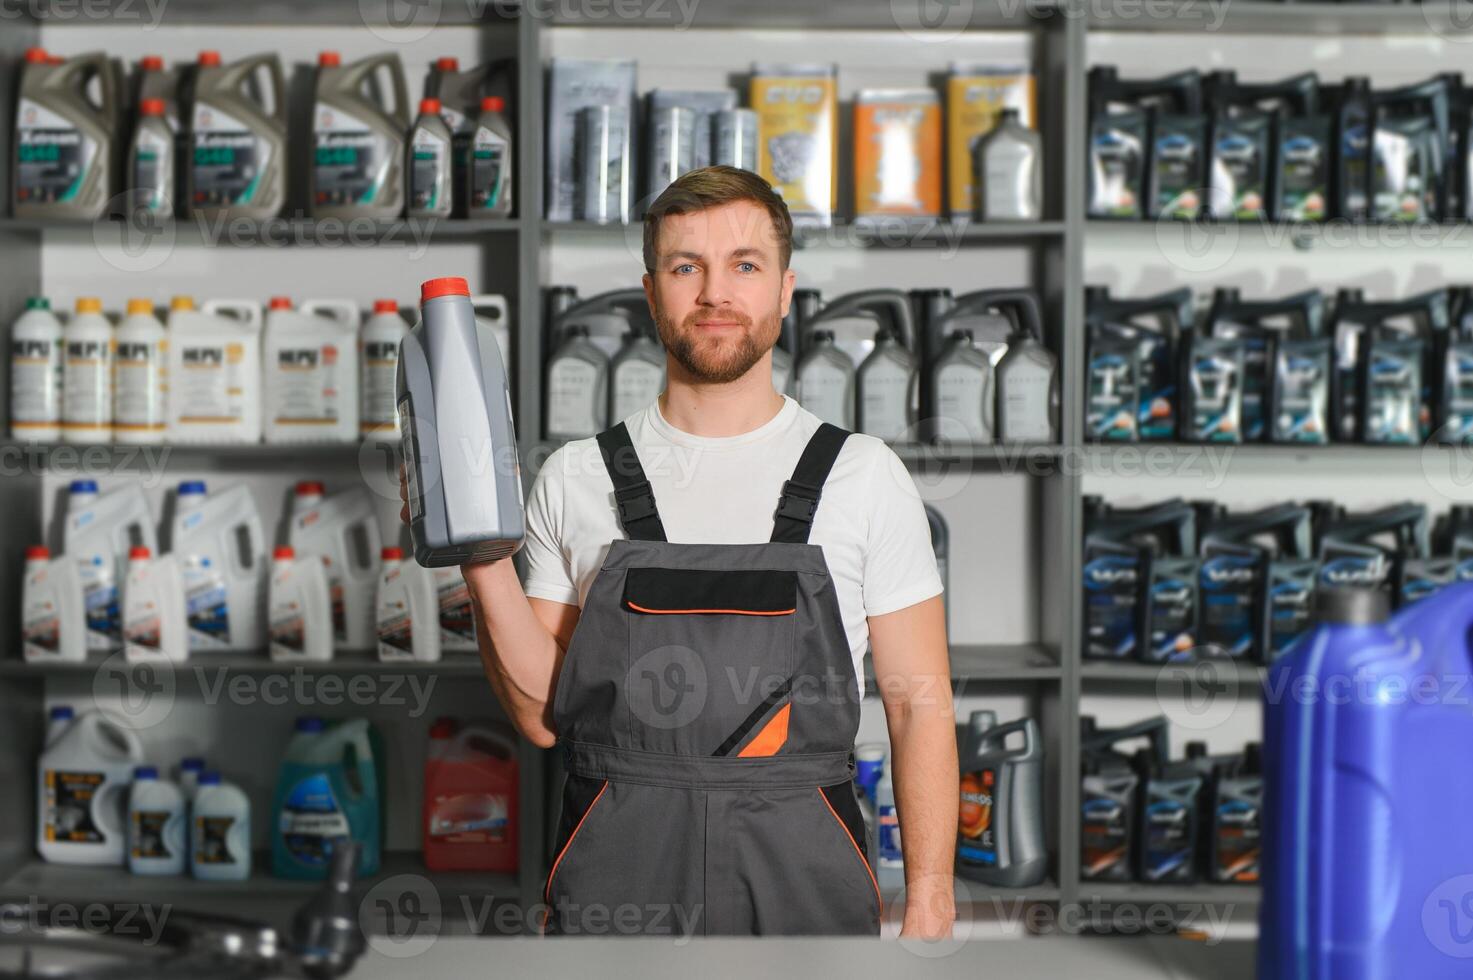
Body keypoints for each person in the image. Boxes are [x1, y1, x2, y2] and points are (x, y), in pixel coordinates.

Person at [402, 166, 957, 938]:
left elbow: (918, 704)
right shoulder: (578, 475)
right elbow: (537, 717)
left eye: (744, 265)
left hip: (803, 864)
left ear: (784, 287)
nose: (714, 294)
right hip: (619, 857)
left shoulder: (864, 476)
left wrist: (930, 899)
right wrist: (479, 552)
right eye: (684, 266)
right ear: (650, 288)